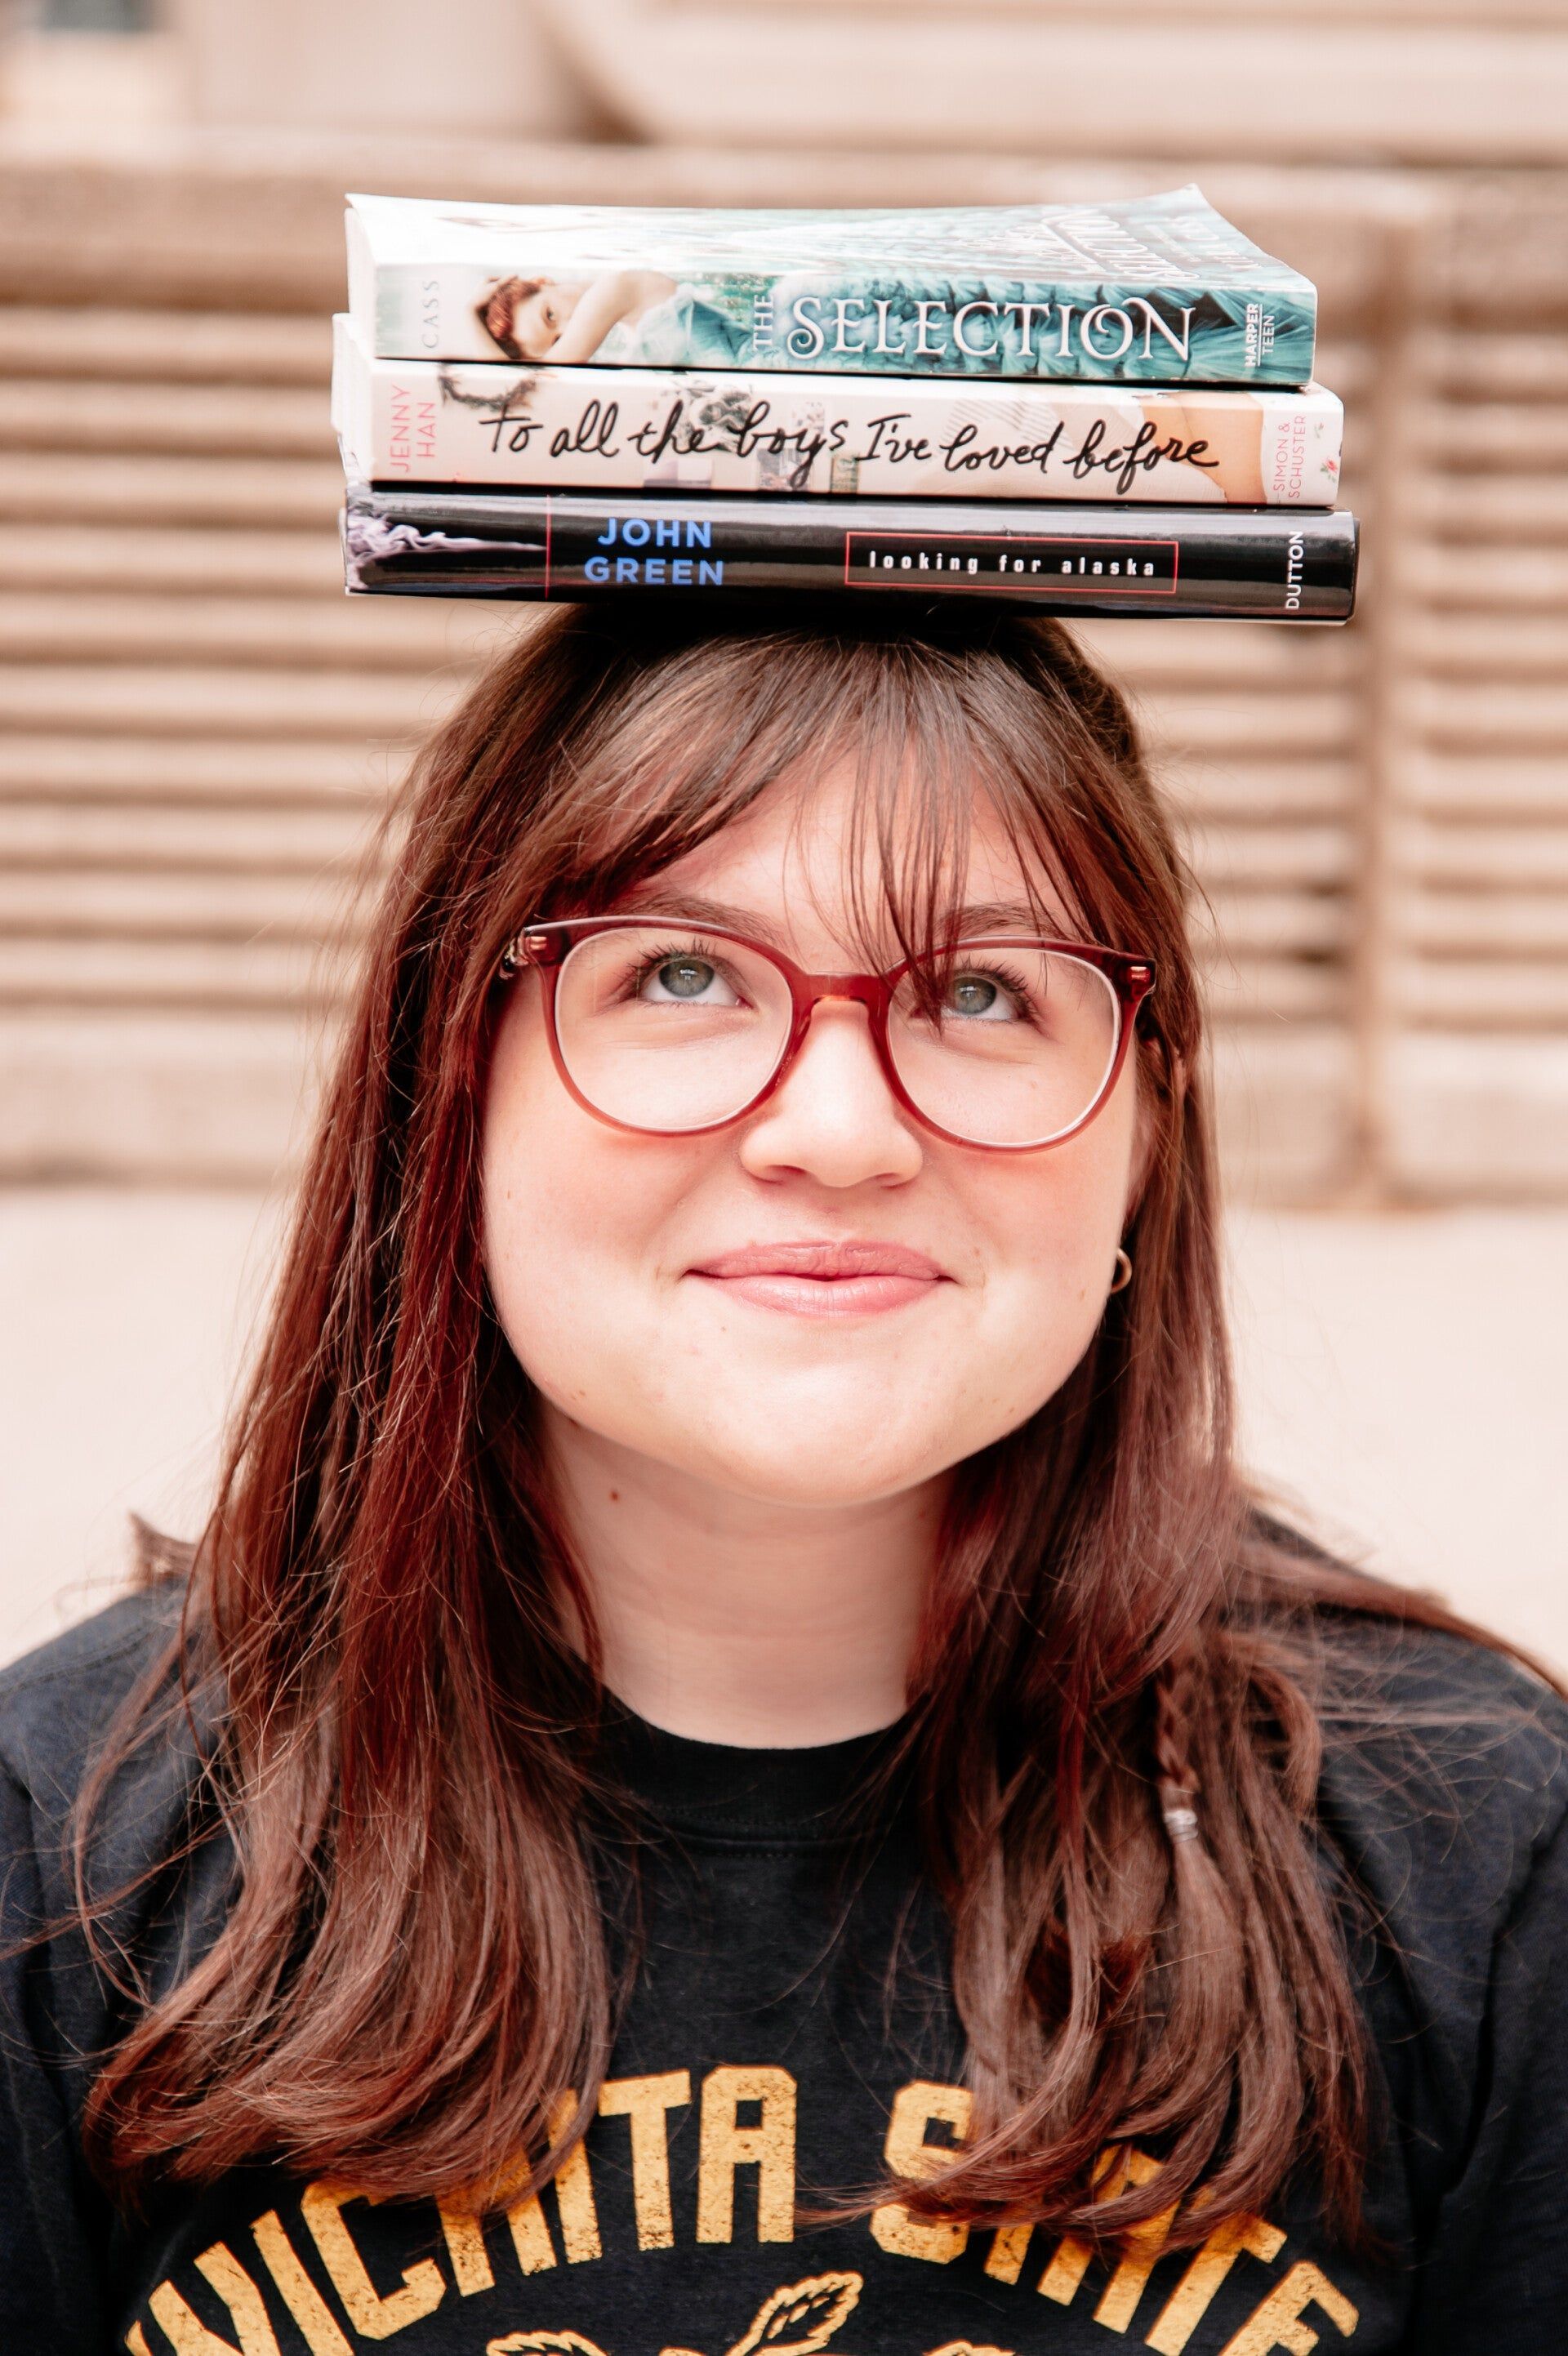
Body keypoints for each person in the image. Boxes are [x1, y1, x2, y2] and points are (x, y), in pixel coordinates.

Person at [1, 605, 1564, 2356]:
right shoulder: (53, 1860)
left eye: (981, 993)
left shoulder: (1480, 1862)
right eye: (680, 975)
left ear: (1147, 1122)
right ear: (450, 1079)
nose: (838, 1129)